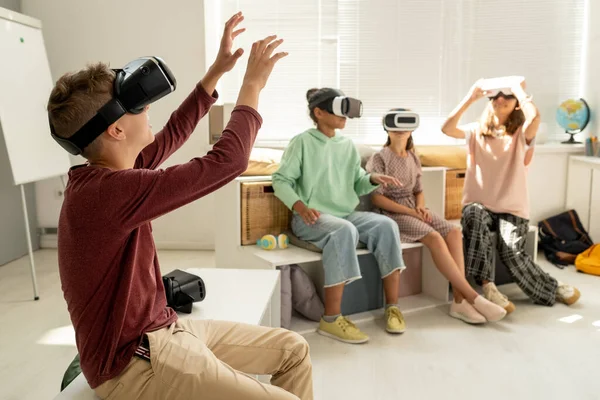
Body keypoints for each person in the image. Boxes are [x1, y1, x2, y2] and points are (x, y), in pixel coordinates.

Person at [49, 12, 314, 400]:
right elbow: (227, 162)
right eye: (135, 106)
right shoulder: (109, 195)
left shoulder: (107, 176)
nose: (147, 109)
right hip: (134, 365)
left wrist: (216, 73)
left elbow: (173, 132)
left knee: (294, 350)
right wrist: (253, 84)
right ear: (116, 130)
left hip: (163, 331)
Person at [272, 88, 406, 344]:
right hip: (310, 218)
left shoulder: (346, 146)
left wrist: (372, 179)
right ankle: (331, 319)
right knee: (344, 230)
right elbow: (281, 180)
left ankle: (392, 307)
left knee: (386, 226)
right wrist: (300, 206)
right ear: (319, 113)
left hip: (345, 214)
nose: (344, 116)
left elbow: (357, 182)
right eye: (338, 110)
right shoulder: (302, 142)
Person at [441, 79, 581, 312]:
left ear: (517, 103)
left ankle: (552, 287)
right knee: (473, 216)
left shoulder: (522, 134)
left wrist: (517, 89)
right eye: (495, 96)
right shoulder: (476, 131)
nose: (500, 99)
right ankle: (488, 287)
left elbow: (535, 118)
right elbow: (446, 129)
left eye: (507, 96)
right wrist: (470, 97)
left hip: (511, 207)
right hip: (479, 204)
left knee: (511, 251)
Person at [366, 109, 507, 324]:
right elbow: (377, 199)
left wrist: (420, 207)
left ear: (412, 128)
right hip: (392, 213)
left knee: (453, 231)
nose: (400, 131)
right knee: (434, 237)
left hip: (414, 209)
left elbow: (419, 190)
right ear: (386, 128)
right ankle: (472, 297)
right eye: (394, 126)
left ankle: (459, 302)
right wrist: (411, 211)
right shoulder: (380, 158)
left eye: (405, 126)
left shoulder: (413, 156)